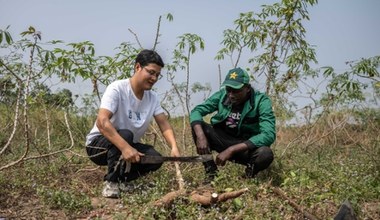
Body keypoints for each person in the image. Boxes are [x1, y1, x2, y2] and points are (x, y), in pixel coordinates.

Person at [86, 49, 180, 198]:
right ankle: (111, 184)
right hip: (98, 146)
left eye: (157, 75)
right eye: (151, 72)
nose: (154, 78)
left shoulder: (152, 97)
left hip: (126, 144)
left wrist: (174, 147)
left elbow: (164, 123)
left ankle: (124, 182)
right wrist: (125, 148)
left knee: (155, 157)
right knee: (125, 134)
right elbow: (102, 121)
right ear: (138, 67)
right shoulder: (117, 88)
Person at [190, 67, 275, 182]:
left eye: (236, 91)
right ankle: (211, 174)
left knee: (265, 153)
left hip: (244, 147)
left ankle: (247, 178)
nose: (231, 95)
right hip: (223, 140)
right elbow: (197, 111)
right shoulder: (222, 95)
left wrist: (232, 150)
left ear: (248, 88)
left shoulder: (261, 101)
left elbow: (268, 134)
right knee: (198, 127)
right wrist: (200, 136)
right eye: (228, 89)